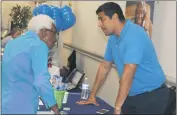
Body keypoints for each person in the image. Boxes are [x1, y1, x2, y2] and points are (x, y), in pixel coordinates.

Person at [77, 2, 169, 114]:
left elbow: (128, 73)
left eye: (102, 19)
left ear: (115, 17)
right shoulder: (113, 38)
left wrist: (117, 107)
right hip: (131, 94)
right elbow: (105, 67)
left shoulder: (135, 34)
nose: (99, 24)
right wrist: (92, 95)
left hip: (152, 95)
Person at [2, 14, 60, 114]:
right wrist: (55, 108)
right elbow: (41, 81)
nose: (55, 39)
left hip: (5, 105)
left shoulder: (12, 43)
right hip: (22, 107)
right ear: (44, 32)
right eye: (54, 33)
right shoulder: (39, 46)